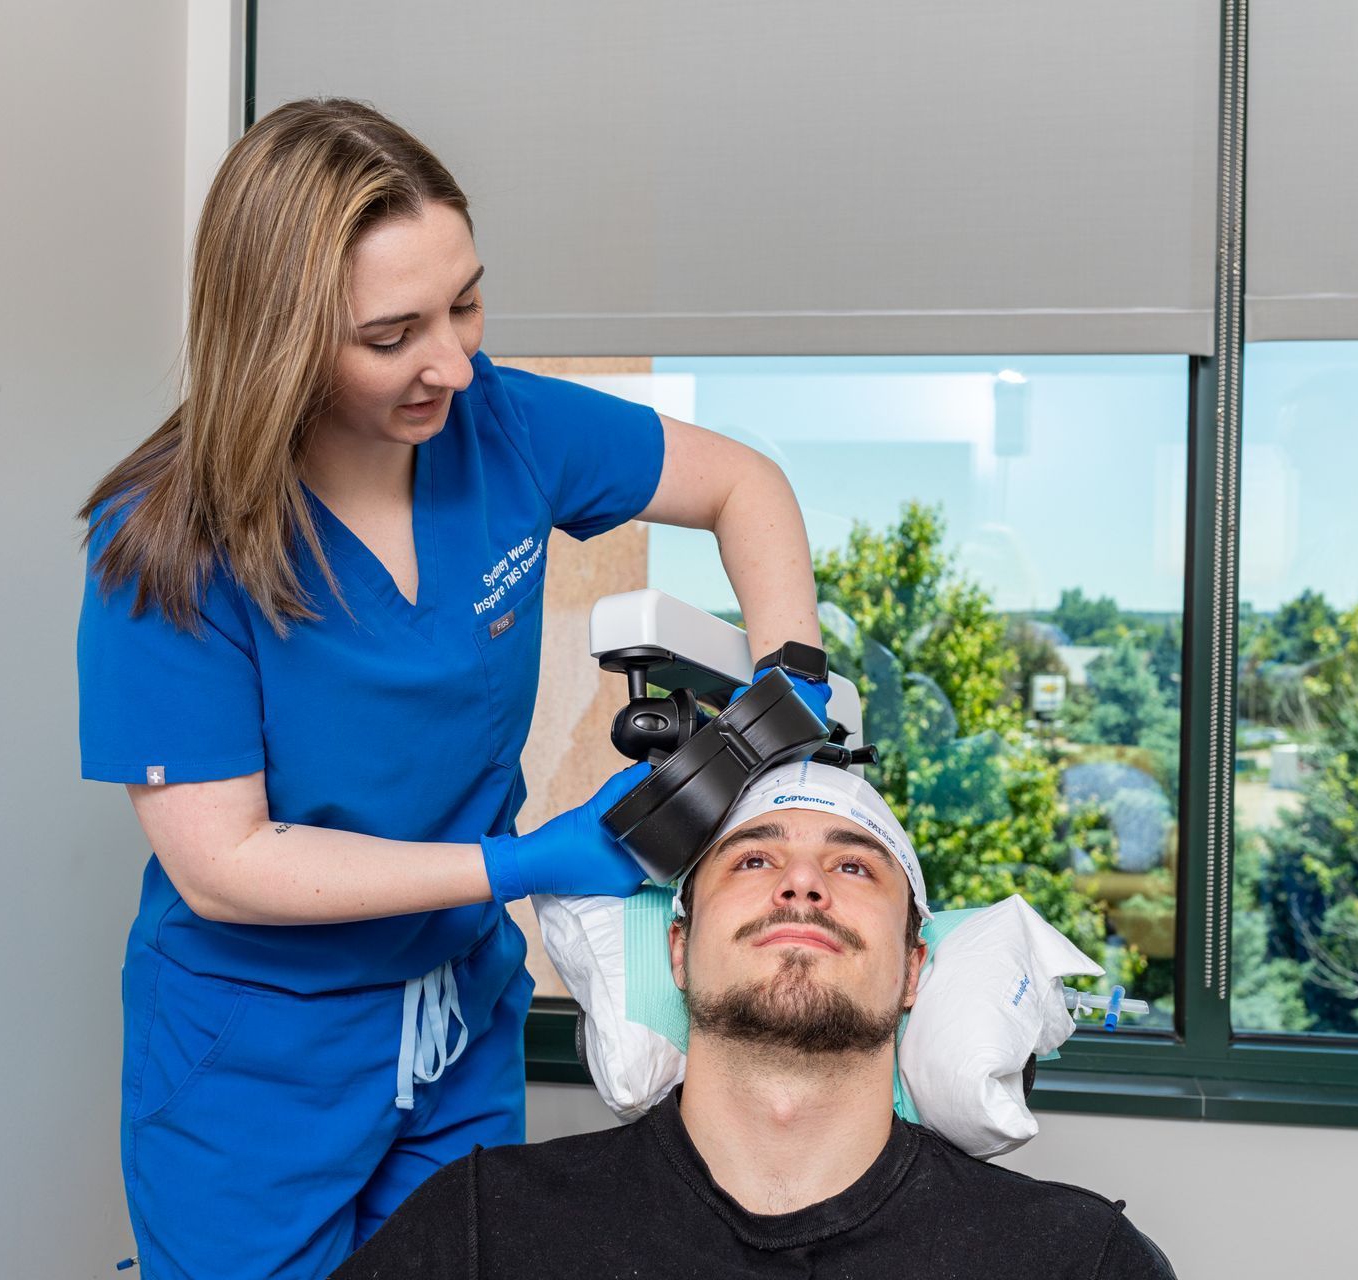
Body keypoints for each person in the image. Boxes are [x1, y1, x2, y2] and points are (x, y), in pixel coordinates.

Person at [76, 98, 831, 1280]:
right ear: (279, 336)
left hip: (454, 1018)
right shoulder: (170, 539)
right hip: (255, 1053)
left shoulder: (503, 425)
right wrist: (522, 863)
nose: (455, 362)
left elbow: (746, 485)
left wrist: (794, 678)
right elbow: (220, 864)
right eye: (393, 335)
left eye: (466, 301)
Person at [331, 761, 1178, 1278]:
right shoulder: (484, 1231)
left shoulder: (1075, 1259)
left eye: (853, 864)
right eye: (756, 857)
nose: (803, 884)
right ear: (677, 948)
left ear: (916, 967)